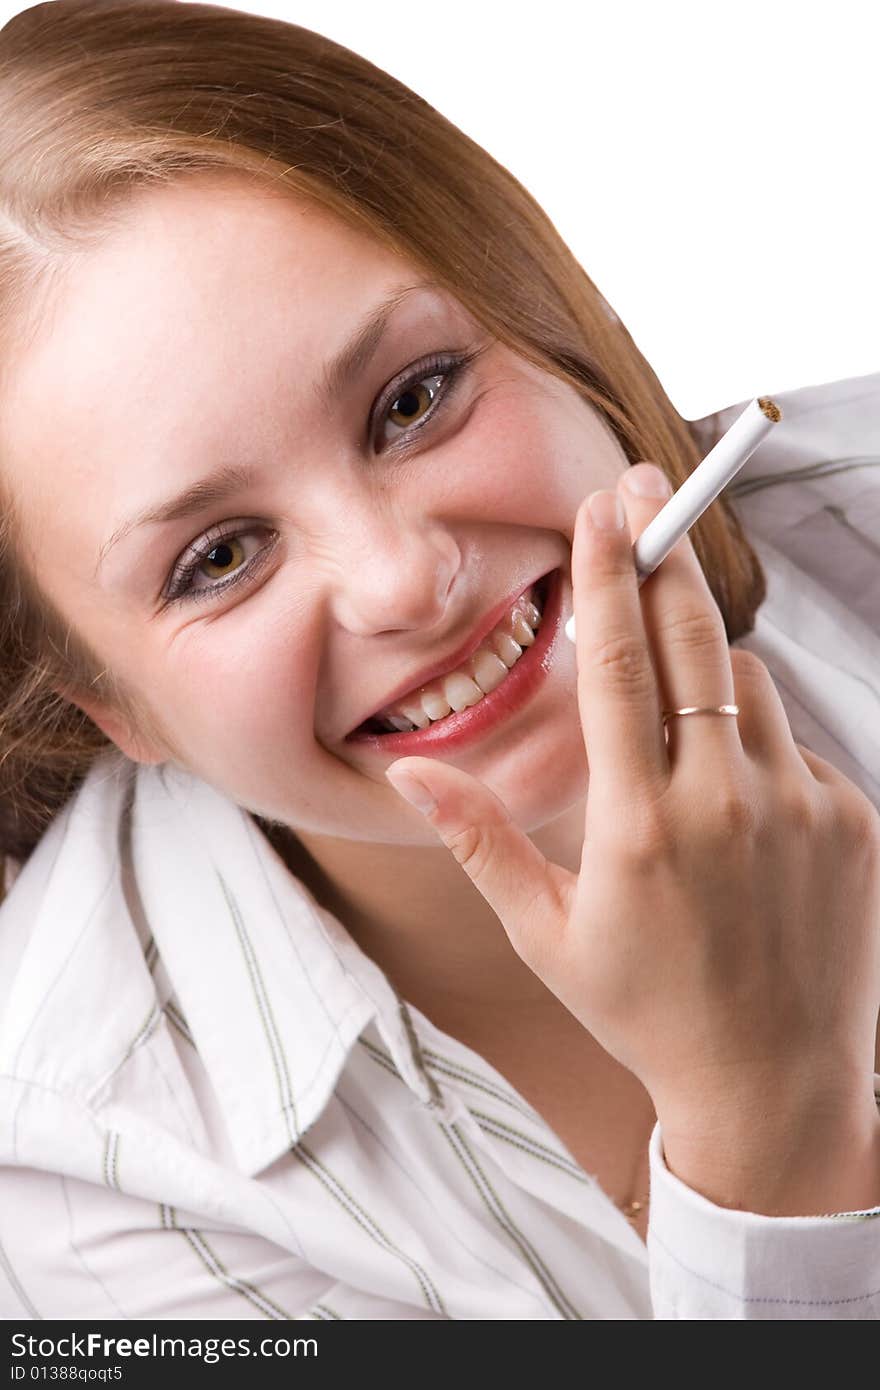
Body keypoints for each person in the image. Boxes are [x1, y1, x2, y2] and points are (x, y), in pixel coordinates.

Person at [0, 0, 878, 1321]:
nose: (404, 578)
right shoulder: (93, 1177)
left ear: (539, 308)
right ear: (113, 704)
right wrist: (768, 1127)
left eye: (413, 401)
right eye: (219, 558)